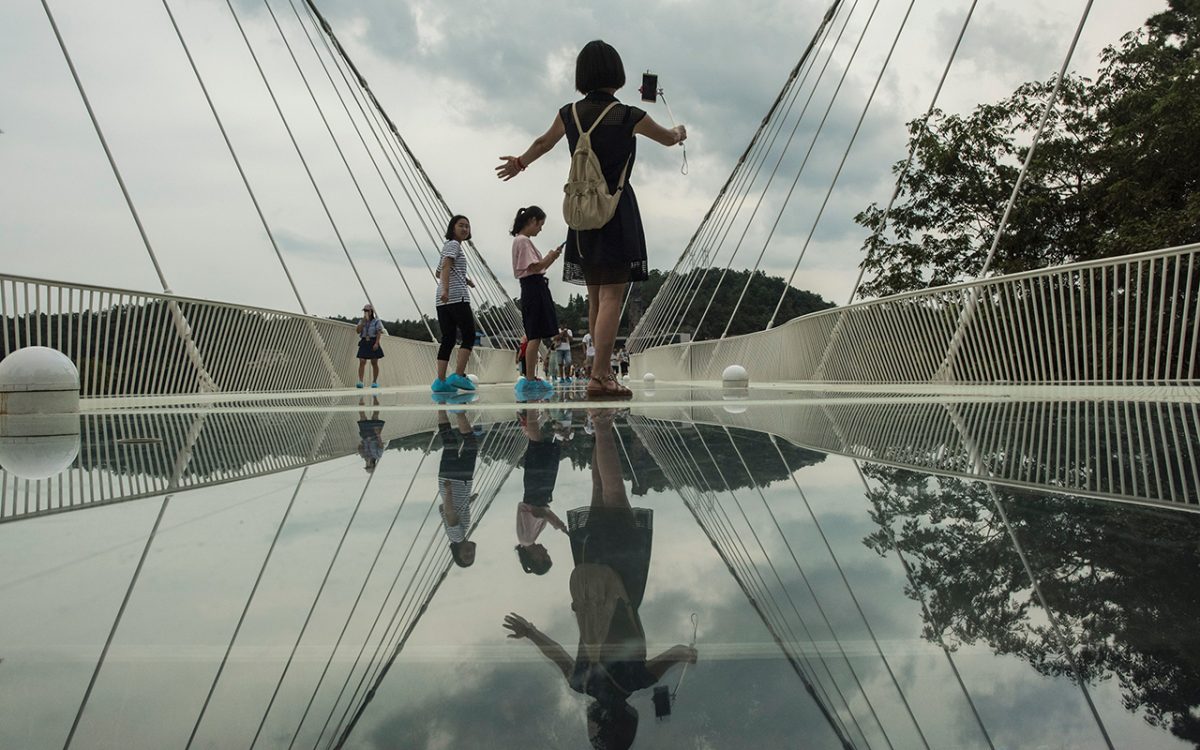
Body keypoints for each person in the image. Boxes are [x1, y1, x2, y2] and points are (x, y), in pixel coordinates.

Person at [496, 40, 686, 400]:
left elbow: (543, 142)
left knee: (597, 295)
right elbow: (667, 138)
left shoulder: (569, 113)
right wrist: (679, 134)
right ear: (617, 73)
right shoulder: (629, 115)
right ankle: (601, 377)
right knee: (613, 294)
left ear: (583, 75)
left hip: (582, 213)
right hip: (615, 207)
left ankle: (597, 371)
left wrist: (519, 163)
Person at [502, 409, 697, 749]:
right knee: (598, 491)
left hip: (622, 576)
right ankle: (597, 427)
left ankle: (603, 425)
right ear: (605, 725)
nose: (589, 729)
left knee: (614, 494)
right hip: (590, 575)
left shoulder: (638, 681)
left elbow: (681, 651)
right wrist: (530, 632)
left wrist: (690, 657)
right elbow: (557, 655)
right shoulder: (583, 685)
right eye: (594, 734)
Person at [511, 205, 565, 393]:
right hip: (534, 288)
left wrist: (551, 258)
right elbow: (535, 267)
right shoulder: (523, 241)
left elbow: (536, 267)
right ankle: (530, 378)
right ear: (532, 221)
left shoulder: (520, 241)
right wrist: (551, 257)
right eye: (540, 224)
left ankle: (530, 377)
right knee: (535, 335)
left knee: (536, 333)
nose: (540, 229)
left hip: (532, 288)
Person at [515, 408, 567, 575]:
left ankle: (533, 403)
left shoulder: (527, 539)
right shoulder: (529, 539)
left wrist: (558, 524)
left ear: (536, 559)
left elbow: (538, 511)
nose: (546, 552)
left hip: (536, 489)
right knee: (542, 446)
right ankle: (548, 412)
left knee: (536, 444)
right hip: (538, 490)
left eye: (545, 556)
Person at [433, 215, 478, 394]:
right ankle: (458, 375)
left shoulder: (447, 247)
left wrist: (464, 279)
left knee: (448, 339)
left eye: (467, 226)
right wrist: (447, 289)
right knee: (469, 334)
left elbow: (440, 271)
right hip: (456, 297)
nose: (465, 229)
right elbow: (444, 269)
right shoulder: (454, 244)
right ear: (453, 228)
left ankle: (441, 381)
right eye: (461, 225)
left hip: (441, 300)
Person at [437, 409, 478, 567]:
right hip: (451, 480)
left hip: (457, 481)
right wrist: (468, 500)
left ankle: (459, 411)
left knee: (470, 444)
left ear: (458, 553)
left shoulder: (458, 537)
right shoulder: (454, 535)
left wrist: (449, 492)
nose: (470, 553)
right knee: (450, 443)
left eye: (466, 556)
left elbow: (449, 512)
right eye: (472, 555)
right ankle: (441, 405)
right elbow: (443, 509)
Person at [355, 303, 384, 388]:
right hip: (364, 341)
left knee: (374, 362)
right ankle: (360, 381)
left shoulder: (376, 321)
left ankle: (374, 381)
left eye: (367, 310)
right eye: (364, 310)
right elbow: (358, 331)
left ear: (371, 311)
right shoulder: (362, 320)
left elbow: (379, 333)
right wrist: (363, 322)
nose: (366, 312)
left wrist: (376, 343)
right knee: (362, 361)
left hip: (373, 341)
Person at [357, 396, 385, 472]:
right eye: (369, 466)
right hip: (374, 434)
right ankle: (375, 396)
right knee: (375, 415)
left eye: (367, 466)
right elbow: (381, 446)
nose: (367, 465)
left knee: (362, 415)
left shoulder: (364, 456)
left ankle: (361, 397)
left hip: (365, 435)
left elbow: (359, 446)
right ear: (373, 465)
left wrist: (361, 452)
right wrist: (378, 435)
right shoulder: (378, 455)